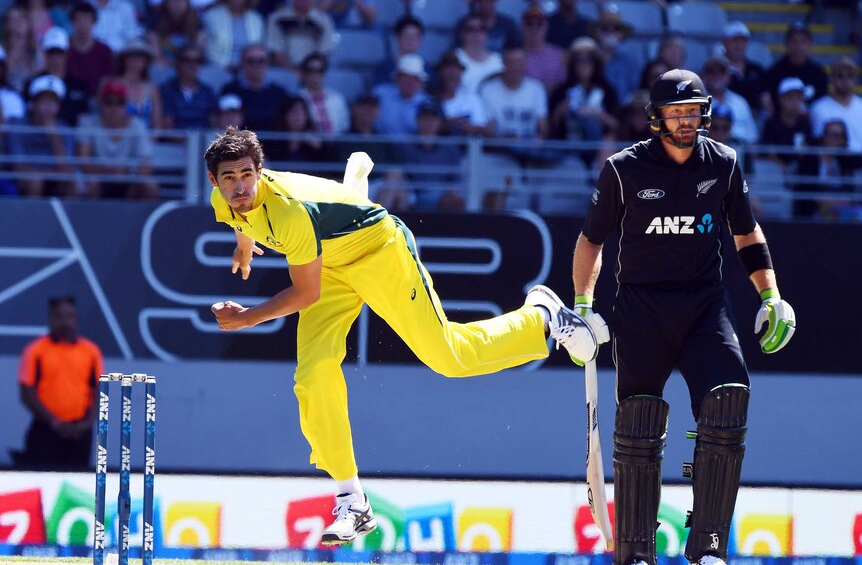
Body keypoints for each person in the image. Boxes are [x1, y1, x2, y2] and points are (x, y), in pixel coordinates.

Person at [206, 126, 598, 546]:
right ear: (214, 181)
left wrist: (248, 318)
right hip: (330, 263)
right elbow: (241, 216)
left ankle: (540, 317)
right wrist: (244, 244)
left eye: (247, 175)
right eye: (229, 178)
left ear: (260, 172)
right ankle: (351, 500)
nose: (239, 186)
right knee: (314, 374)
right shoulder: (224, 201)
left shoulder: (288, 212)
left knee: (449, 357)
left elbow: (306, 293)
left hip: (378, 252)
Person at [571, 69, 796, 565]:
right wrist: (583, 309)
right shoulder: (622, 169)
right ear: (657, 118)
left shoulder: (724, 163)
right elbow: (591, 240)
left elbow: (746, 232)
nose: (686, 121)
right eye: (677, 113)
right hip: (641, 306)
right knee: (639, 421)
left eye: (693, 111)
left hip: (702, 303)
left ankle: (709, 545)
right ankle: (636, 552)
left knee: (728, 399)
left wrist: (770, 295)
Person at [13, 296, 104, 469]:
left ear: (76, 319)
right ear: (51, 318)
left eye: (69, 316)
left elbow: (99, 391)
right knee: (43, 482)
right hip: (46, 430)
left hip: (80, 432)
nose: (65, 322)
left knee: (77, 485)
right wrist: (55, 423)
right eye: (59, 316)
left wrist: (87, 423)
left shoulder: (91, 351)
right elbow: (27, 394)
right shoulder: (35, 351)